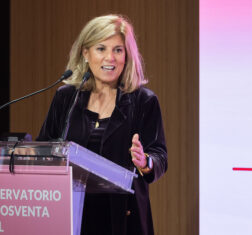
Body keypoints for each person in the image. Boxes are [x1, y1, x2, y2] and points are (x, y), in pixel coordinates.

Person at [37, 14, 167, 235]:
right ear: (85, 53)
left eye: (118, 50)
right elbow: (44, 149)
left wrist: (145, 161)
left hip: (123, 219)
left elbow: (159, 156)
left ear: (127, 56)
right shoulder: (67, 98)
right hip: (71, 216)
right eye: (101, 49)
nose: (110, 58)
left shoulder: (143, 101)